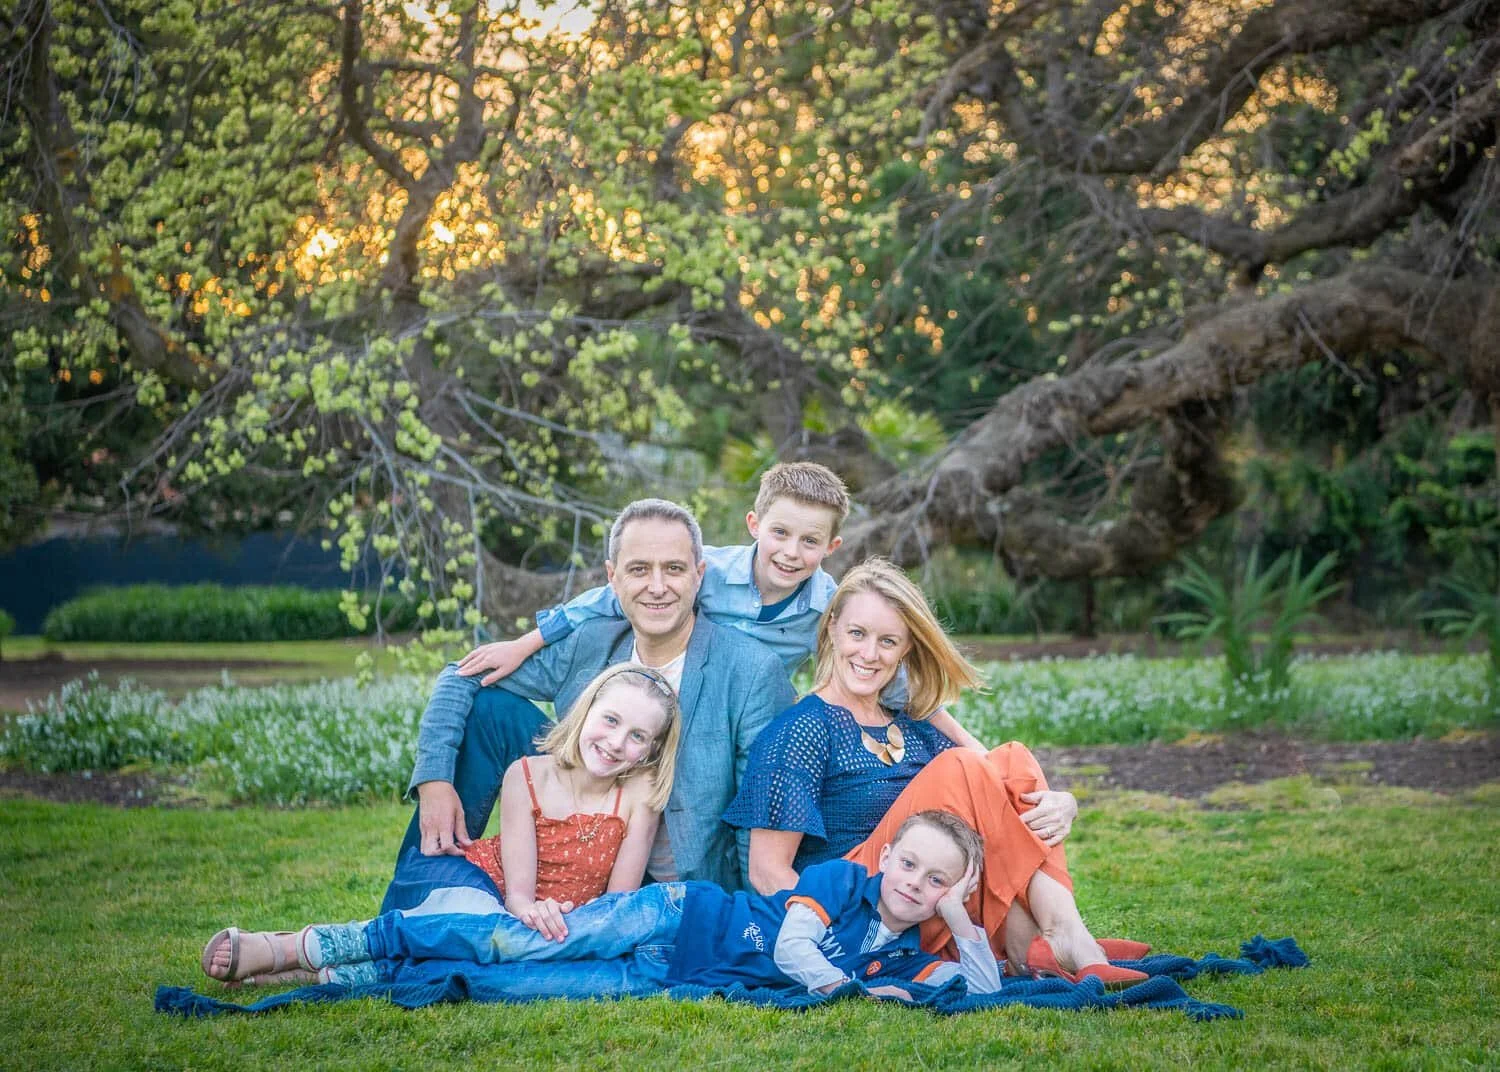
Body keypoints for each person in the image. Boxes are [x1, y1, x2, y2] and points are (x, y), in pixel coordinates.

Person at [724, 558, 1150, 987]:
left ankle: (1054, 937)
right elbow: (767, 872)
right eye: (857, 634)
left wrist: (1066, 803)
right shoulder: (803, 730)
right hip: (862, 910)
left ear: (907, 647)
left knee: (1014, 761)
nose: (870, 654)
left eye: (888, 641)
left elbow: (1000, 783)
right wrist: (834, 946)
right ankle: (1045, 942)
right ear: (832, 628)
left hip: (927, 897)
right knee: (960, 766)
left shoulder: (911, 721)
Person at [396, 498, 793, 912]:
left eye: (673, 569)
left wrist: (754, 922)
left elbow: (759, 810)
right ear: (613, 578)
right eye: (639, 569)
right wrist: (434, 781)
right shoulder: (592, 642)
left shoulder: (749, 671)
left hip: (673, 879)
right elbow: (462, 675)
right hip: (578, 840)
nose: (657, 586)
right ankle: (417, 895)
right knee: (490, 707)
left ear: (698, 576)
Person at [201, 663, 681, 985]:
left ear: (653, 751)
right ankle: (299, 945)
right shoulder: (527, 774)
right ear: (586, 710)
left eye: (638, 736)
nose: (617, 742)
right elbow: (516, 894)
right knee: (485, 928)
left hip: (568, 922)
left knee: (501, 951)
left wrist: (564, 925)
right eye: (611, 720)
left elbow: (617, 906)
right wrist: (532, 912)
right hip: (487, 886)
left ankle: (328, 970)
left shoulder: (639, 797)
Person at [457, 461, 987, 750]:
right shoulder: (703, 571)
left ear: (831, 549)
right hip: (687, 700)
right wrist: (525, 643)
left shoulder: (829, 607)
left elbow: (882, 672)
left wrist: (968, 746)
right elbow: (602, 600)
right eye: (779, 533)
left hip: (755, 719)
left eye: (809, 542)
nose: (789, 552)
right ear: (755, 526)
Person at [202, 811, 1004, 1000]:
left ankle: (352, 979)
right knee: (513, 946)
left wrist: (962, 920)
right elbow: (796, 954)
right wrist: (854, 992)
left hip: (663, 976)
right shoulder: (843, 884)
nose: (915, 885)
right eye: (910, 864)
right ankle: (309, 943)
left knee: (509, 988)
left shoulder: (908, 949)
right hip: (677, 916)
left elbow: (981, 993)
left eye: (937, 880)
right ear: (887, 855)